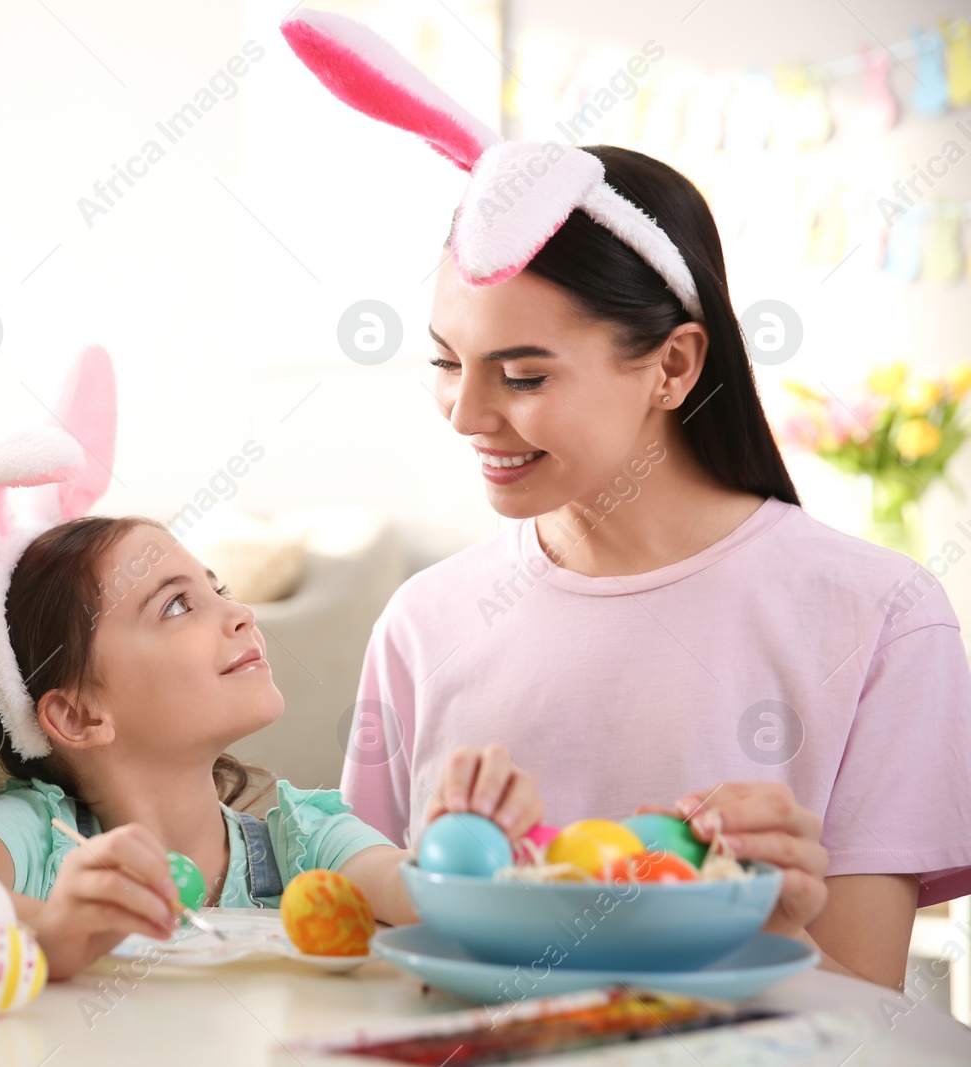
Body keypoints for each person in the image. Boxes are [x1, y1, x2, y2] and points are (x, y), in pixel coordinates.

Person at [281, 9, 971, 991]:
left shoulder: (882, 616)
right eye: (446, 362)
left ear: (673, 365)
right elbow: (355, 950)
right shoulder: (423, 623)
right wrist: (439, 879)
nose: (466, 412)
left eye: (522, 375)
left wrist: (780, 920)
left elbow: (866, 1008)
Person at [0, 514, 543, 980]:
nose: (241, 614)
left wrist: (461, 842)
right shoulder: (38, 832)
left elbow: (406, 890)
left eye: (219, 589)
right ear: (78, 714)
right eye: (177, 605)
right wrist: (50, 929)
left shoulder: (304, 836)